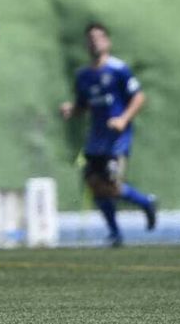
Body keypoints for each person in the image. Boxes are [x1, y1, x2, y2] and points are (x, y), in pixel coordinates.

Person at [60, 22, 157, 247]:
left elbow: (139, 97)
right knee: (94, 183)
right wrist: (72, 110)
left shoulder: (118, 69)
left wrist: (123, 119)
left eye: (99, 37)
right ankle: (115, 234)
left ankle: (145, 203)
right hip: (96, 140)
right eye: (90, 38)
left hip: (116, 140)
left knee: (111, 184)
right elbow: (83, 105)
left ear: (107, 41)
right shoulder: (83, 75)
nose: (94, 41)